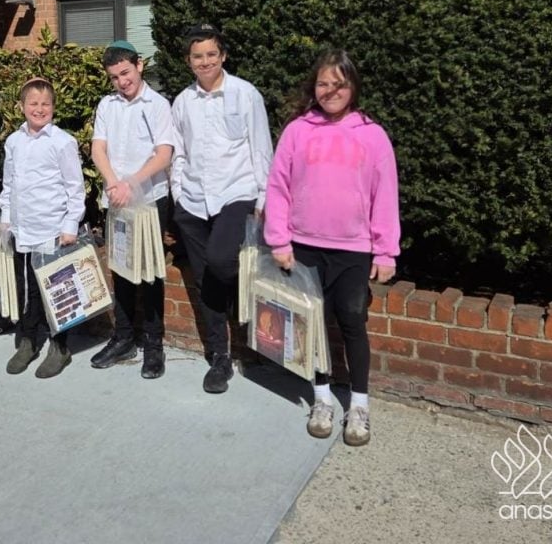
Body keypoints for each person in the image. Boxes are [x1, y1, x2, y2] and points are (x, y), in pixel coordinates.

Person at [264, 49, 400, 447]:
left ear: (352, 87)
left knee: (353, 322)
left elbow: (385, 194)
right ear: (314, 87)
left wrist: (385, 251)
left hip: (353, 249)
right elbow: (278, 187)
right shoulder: (297, 131)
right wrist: (279, 240)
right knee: (314, 326)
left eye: (338, 84)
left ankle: (359, 405)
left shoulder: (372, 135)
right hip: (305, 247)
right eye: (323, 83)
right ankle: (322, 398)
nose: (330, 91)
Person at [171, 24, 274, 394]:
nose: (205, 62)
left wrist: (264, 198)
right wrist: (178, 192)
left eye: (211, 54)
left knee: (220, 263)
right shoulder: (182, 102)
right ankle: (219, 356)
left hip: (236, 194)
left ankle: (247, 322)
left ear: (223, 56)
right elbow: (179, 151)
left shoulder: (245, 94)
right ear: (189, 61)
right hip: (193, 201)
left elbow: (261, 147)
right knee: (204, 280)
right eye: (197, 56)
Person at [89, 41, 175, 379]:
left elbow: (164, 154)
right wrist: (113, 182)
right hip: (117, 199)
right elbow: (98, 149)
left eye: (125, 73)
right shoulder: (107, 105)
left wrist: (130, 183)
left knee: (150, 273)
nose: (121, 81)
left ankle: (154, 345)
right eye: (114, 77)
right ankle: (123, 338)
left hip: (150, 200)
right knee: (121, 269)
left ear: (139, 65)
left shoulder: (158, 104)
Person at [0, 77, 85, 378]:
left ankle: (59, 346)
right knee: (27, 289)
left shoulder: (62, 142)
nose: (39, 109)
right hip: (23, 229)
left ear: (53, 107)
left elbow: (75, 187)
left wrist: (70, 224)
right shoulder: (14, 141)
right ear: (22, 106)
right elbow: (9, 183)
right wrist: (6, 218)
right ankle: (28, 341)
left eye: (45, 104)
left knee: (57, 291)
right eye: (33, 103)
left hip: (51, 229)